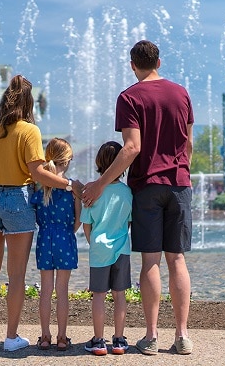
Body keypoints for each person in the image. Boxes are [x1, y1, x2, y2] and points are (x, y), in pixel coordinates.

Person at [82, 40, 195, 356]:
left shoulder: (129, 97)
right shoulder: (182, 94)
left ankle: (151, 336)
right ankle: (183, 335)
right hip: (179, 184)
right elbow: (187, 144)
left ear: (133, 65)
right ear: (160, 61)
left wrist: (101, 184)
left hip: (146, 186)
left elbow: (131, 148)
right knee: (177, 259)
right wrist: (182, 171)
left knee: (151, 260)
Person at [0, 74, 83, 352]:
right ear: (29, 101)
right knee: (16, 273)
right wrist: (70, 184)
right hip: (17, 200)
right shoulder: (29, 131)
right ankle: (11, 338)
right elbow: (37, 172)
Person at [81, 141, 133, 356]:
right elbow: (129, 222)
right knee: (119, 295)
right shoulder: (127, 192)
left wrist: (93, 243)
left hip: (99, 249)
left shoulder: (93, 191)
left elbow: (86, 224)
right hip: (122, 248)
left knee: (99, 296)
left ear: (98, 162)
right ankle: (119, 340)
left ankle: (99, 341)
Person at [30, 138, 81, 351]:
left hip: (44, 240)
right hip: (65, 239)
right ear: (67, 161)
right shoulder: (72, 189)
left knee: (45, 291)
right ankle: (61, 337)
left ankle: (44, 337)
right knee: (62, 291)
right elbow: (78, 222)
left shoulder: (38, 188)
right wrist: (66, 231)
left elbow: (34, 216)